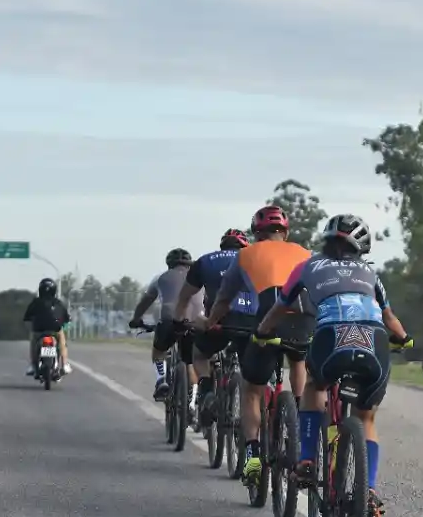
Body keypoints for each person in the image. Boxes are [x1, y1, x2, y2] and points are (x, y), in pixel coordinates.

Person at [256, 214, 412, 517]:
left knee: (315, 385)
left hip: (330, 336)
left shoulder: (308, 267)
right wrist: (404, 338)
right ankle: (367, 490)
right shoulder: (371, 273)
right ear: (362, 248)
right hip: (374, 339)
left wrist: (262, 332)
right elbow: (390, 319)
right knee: (366, 418)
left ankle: (308, 460)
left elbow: (280, 307)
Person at [203, 205, 311, 487]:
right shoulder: (304, 253)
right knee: (298, 359)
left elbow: (224, 299)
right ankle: (299, 416)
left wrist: (211, 321)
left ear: (256, 233)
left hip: (267, 320)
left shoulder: (246, 254)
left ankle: (252, 452)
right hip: (303, 319)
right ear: (285, 232)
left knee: (253, 390)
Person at [175, 228, 251, 426]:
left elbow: (185, 296)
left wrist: (179, 320)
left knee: (200, 354)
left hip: (217, 322)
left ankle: (207, 390)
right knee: (254, 366)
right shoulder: (255, 259)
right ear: (245, 245)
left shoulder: (206, 261)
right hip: (251, 322)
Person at [129, 248, 204, 401]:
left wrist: (136, 320)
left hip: (170, 320)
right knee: (191, 362)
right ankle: (193, 401)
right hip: (196, 323)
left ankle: (161, 380)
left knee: (158, 351)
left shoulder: (160, 278)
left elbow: (145, 302)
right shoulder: (200, 278)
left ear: (169, 265)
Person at [23, 278, 72, 376]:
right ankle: (65, 364)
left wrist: (30, 327)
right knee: (62, 341)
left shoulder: (36, 302)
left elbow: (27, 317)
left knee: (33, 341)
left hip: (39, 330)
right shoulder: (58, 303)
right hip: (55, 330)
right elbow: (66, 318)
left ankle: (32, 365)